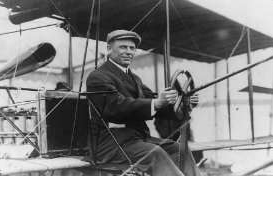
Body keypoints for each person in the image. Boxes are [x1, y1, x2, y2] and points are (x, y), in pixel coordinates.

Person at [86, 29, 200, 176]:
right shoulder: (98, 77)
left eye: (132, 48)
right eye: (123, 47)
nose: (128, 52)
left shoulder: (135, 79)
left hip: (137, 140)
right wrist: (157, 102)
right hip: (110, 144)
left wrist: (183, 103)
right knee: (155, 153)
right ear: (109, 49)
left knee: (179, 149)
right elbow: (117, 107)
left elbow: (155, 102)